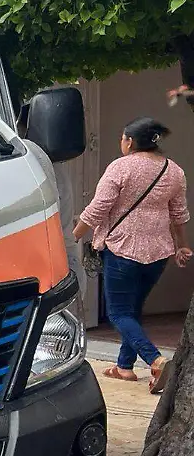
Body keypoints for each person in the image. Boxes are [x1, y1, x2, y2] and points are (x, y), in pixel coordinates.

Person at [73, 117, 192, 394]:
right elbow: (178, 215)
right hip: (159, 253)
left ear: (129, 141)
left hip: (122, 250)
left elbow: (98, 208)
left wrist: (74, 235)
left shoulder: (120, 167)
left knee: (118, 312)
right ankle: (124, 367)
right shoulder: (174, 171)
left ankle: (156, 360)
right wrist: (182, 246)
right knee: (133, 308)